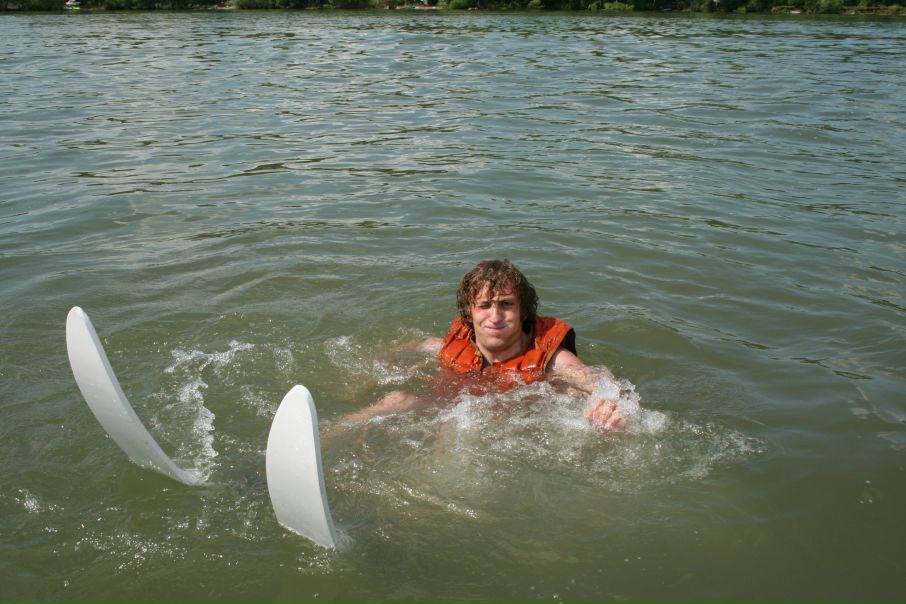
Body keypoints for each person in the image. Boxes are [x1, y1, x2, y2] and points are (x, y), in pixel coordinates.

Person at [343, 259, 628, 430]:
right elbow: (415, 345)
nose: (495, 316)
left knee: (455, 428)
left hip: (517, 427)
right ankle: (328, 436)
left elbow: (603, 382)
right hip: (454, 410)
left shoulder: (553, 360)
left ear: (523, 311)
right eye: (484, 305)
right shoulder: (450, 345)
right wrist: (367, 376)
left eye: (506, 304)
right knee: (396, 399)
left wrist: (609, 405)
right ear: (470, 313)